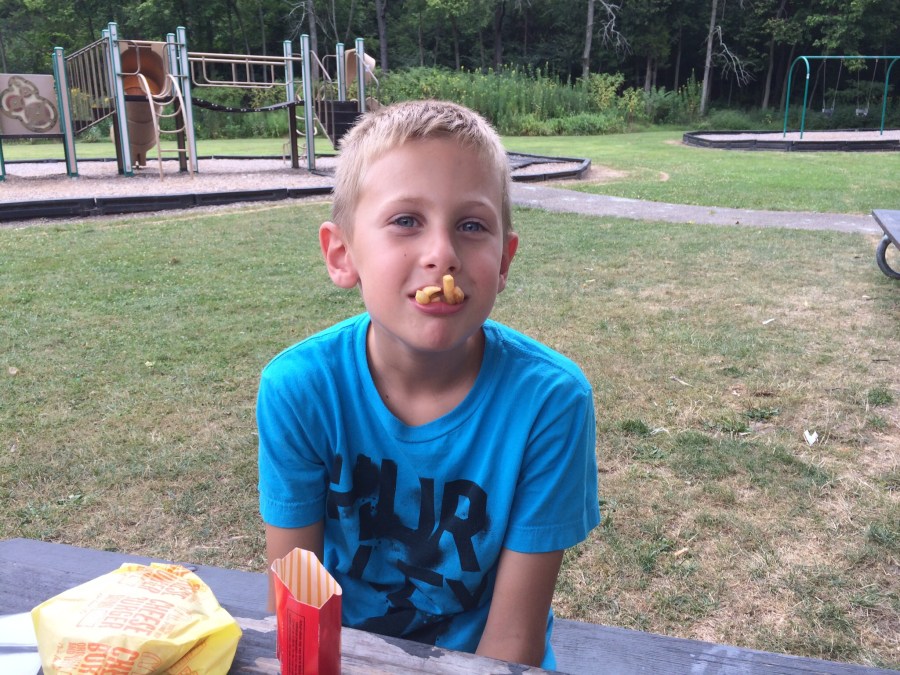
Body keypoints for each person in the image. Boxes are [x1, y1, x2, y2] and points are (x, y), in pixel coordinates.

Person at [257, 99, 599, 669]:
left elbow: (513, 639)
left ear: (505, 261)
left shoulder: (550, 402)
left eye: (472, 226)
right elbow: (296, 597)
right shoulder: (300, 389)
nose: (442, 255)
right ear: (342, 255)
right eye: (406, 221)